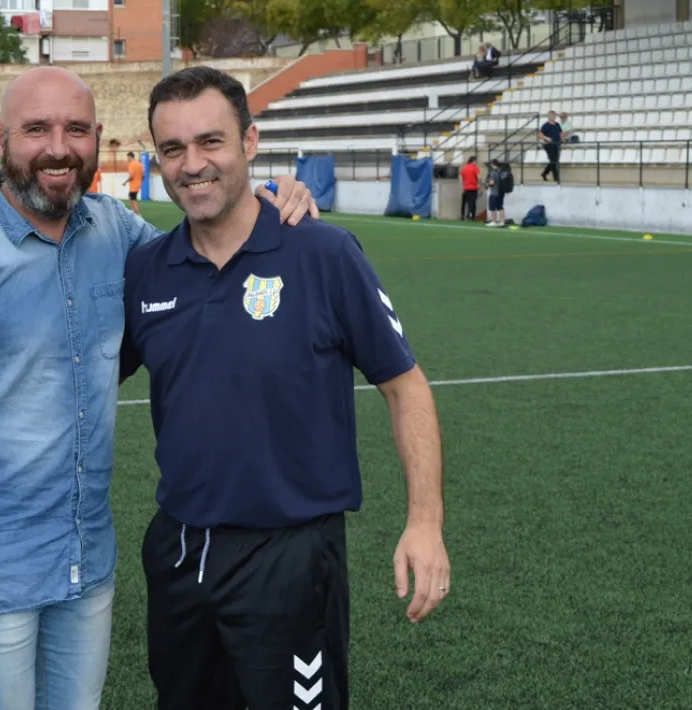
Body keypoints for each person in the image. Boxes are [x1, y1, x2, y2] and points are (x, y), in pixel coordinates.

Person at [0, 65, 318, 710]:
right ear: (0, 137)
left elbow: (202, 257)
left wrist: (275, 197)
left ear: (98, 139)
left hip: (87, 563)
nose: (58, 147)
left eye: (75, 130)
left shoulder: (118, 234)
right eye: (36, 129)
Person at [120, 66, 450, 710]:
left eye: (211, 142)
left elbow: (405, 386)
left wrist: (426, 523)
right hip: (179, 551)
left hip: (291, 557)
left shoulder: (323, 254)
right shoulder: (145, 269)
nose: (193, 164)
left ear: (249, 142)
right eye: (173, 149)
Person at [538, 110, 563, 183]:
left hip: (557, 144)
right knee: (554, 161)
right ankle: (556, 178)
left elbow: (560, 133)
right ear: (548, 116)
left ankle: (544, 173)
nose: (553, 117)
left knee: (554, 161)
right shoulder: (545, 125)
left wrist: (563, 139)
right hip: (549, 145)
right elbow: (540, 135)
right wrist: (546, 138)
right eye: (551, 115)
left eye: (554, 115)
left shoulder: (557, 124)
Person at [122, 151, 144, 215]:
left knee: (134, 199)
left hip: (133, 185)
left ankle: (138, 215)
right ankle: (132, 210)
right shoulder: (139, 164)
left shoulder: (131, 164)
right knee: (131, 196)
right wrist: (140, 181)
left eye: (128, 158)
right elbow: (143, 175)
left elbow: (131, 175)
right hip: (138, 184)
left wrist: (125, 182)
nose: (127, 159)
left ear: (130, 157)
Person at [459, 155, 480, 220]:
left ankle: (462, 215)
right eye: (476, 161)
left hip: (465, 188)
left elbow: (460, 176)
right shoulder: (475, 168)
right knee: (472, 203)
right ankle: (471, 216)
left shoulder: (464, 168)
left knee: (464, 203)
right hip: (473, 188)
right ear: (474, 161)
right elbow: (479, 177)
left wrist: (462, 185)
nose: (476, 163)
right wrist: (479, 184)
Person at [486, 158, 505, 227]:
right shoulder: (501, 171)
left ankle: (494, 221)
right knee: (500, 207)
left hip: (494, 192)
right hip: (501, 192)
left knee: (493, 207)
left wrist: (487, 185)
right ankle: (502, 222)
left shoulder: (493, 172)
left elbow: (492, 182)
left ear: (492, 164)